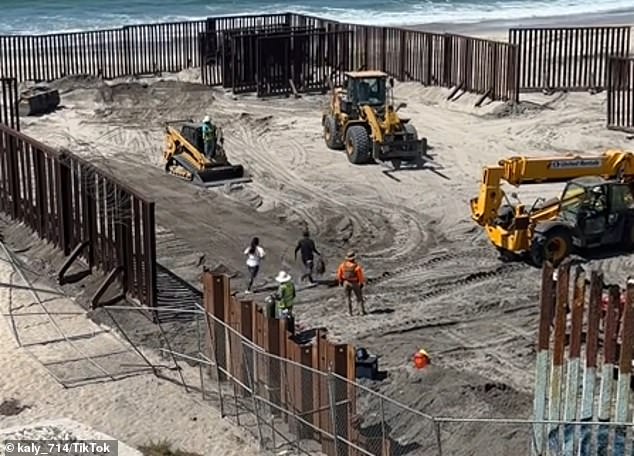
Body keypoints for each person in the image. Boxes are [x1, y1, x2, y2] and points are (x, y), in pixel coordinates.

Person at [336, 250, 367, 316]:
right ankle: (361, 312)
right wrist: (361, 283)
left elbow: (339, 274)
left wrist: (340, 281)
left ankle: (349, 313)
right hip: (354, 283)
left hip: (346, 282)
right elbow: (360, 276)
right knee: (359, 297)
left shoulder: (342, 265)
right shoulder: (357, 267)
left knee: (347, 298)